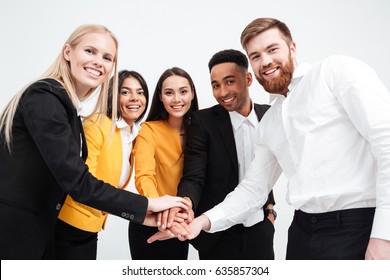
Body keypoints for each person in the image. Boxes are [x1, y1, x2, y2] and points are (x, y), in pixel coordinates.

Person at [150, 18, 390, 260]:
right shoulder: (271, 120)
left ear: (292, 48)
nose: (264, 61)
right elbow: (253, 189)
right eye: (255, 56)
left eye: (272, 49)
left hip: (358, 224)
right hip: (303, 230)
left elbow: (387, 142)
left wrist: (384, 234)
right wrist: (200, 222)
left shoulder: (334, 72)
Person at [0, 24, 189, 260]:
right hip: (16, 233)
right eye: (90, 51)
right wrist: (145, 206)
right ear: (68, 52)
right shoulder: (45, 97)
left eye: (107, 57)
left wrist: (143, 212)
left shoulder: (71, 111)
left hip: (40, 231)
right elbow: (78, 181)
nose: (99, 61)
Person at [158, 49, 276, 259]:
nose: (222, 92)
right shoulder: (203, 121)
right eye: (216, 85)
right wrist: (185, 206)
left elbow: (269, 167)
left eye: (230, 82)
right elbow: (194, 176)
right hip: (217, 236)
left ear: (248, 78)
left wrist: (270, 211)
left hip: (260, 230)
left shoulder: (269, 116)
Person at [55, 70, 149, 259]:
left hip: (91, 225)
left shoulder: (131, 135)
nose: (135, 98)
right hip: (70, 225)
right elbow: (83, 179)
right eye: (125, 92)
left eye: (140, 92)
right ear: (113, 96)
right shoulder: (98, 124)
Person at [128, 67, 199, 260]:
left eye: (183, 91)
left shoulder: (200, 131)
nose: (177, 99)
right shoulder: (148, 130)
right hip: (151, 221)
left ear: (192, 93)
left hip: (182, 222)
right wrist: (162, 211)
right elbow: (144, 176)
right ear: (160, 97)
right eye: (169, 93)